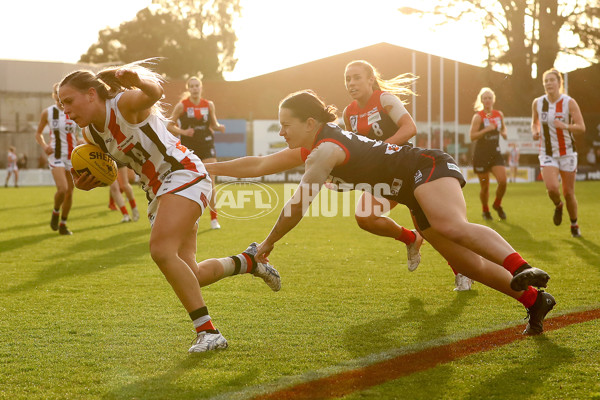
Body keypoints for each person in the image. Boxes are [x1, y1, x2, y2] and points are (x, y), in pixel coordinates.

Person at [207, 90, 557, 335]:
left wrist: (268, 243)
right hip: (410, 190)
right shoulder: (312, 147)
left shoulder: (325, 150)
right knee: (465, 263)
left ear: (310, 122)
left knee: (451, 226)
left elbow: (298, 205)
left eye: (285, 124)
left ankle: (524, 269)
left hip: (426, 166)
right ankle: (534, 300)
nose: (280, 131)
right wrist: (207, 166)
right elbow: (257, 164)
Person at [58, 61, 281, 353]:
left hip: (184, 173)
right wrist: (90, 181)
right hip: (158, 191)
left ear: (91, 94)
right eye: (62, 104)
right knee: (193, 275)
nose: (66, 111)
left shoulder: (122, 104)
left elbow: (153, 93)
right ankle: (250, 261)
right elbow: (108, 169)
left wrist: (137, 79)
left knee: (161, 250)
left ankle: (208, 332)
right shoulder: (91, 136)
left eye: (69, 101)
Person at [342, 60, 422, 272]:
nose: (351, 83)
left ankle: (461, 271)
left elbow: (409, 129)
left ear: (371, 80)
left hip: (407, 169)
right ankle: (411, 238)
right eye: (347, 79)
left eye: (357, 77)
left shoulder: (384, 98)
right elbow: (356, 149)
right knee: (365, 218)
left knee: (432, 229)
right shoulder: (348, 113)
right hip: (382, 175)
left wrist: (380, 149)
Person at [531, 68, 586, 238]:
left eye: (552, 80)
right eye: (546, 81)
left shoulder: (569, 102)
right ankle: (558, 205)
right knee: (552, 188)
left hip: (567, 153)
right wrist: (535, 131)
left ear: (559, 82)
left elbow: (581, 128)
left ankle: (574, 223)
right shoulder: (538, 103)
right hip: (547, 152)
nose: (548, 83)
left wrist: (566, 126)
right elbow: (534, 123)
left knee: (569, 192)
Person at [167, 76, 225, 230]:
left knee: (211, 180)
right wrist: (183, 131)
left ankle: (214, 218)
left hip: (207, 144)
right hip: (189, 148)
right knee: (190, 183)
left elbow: (214, 123)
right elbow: (169, 125)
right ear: (188, 88)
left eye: (197, 85)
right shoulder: (182, 106)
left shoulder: (208, 104)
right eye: (191, 86)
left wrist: (219, 127)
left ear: (201, 87)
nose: (194, 88)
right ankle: (188, 218)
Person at [35, 83, 83, 235]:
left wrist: (82, 141)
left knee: (70, 192)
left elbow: (80, 133)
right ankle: (56, 211)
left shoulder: (75, 111)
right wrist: (44, 146)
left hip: (72, 156)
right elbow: (38, 134)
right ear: (55, 95)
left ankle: (63, 224)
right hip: (55, 155)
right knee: (62, 189)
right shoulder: (48, 112)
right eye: (57, 93)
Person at [470, 87, 508, 221]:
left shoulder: (499, 114)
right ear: (481, 100)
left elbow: (503, 128)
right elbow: (472, 136)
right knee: (485, 187)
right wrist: (486, 130)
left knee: (503, 181)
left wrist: (504, 133)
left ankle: (497, 204)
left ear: (493, 100)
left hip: (495, 154)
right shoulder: (478, 117)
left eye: (489, 98)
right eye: (485, 98)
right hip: (481, 156)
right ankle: (485, 210)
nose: (487, 100)